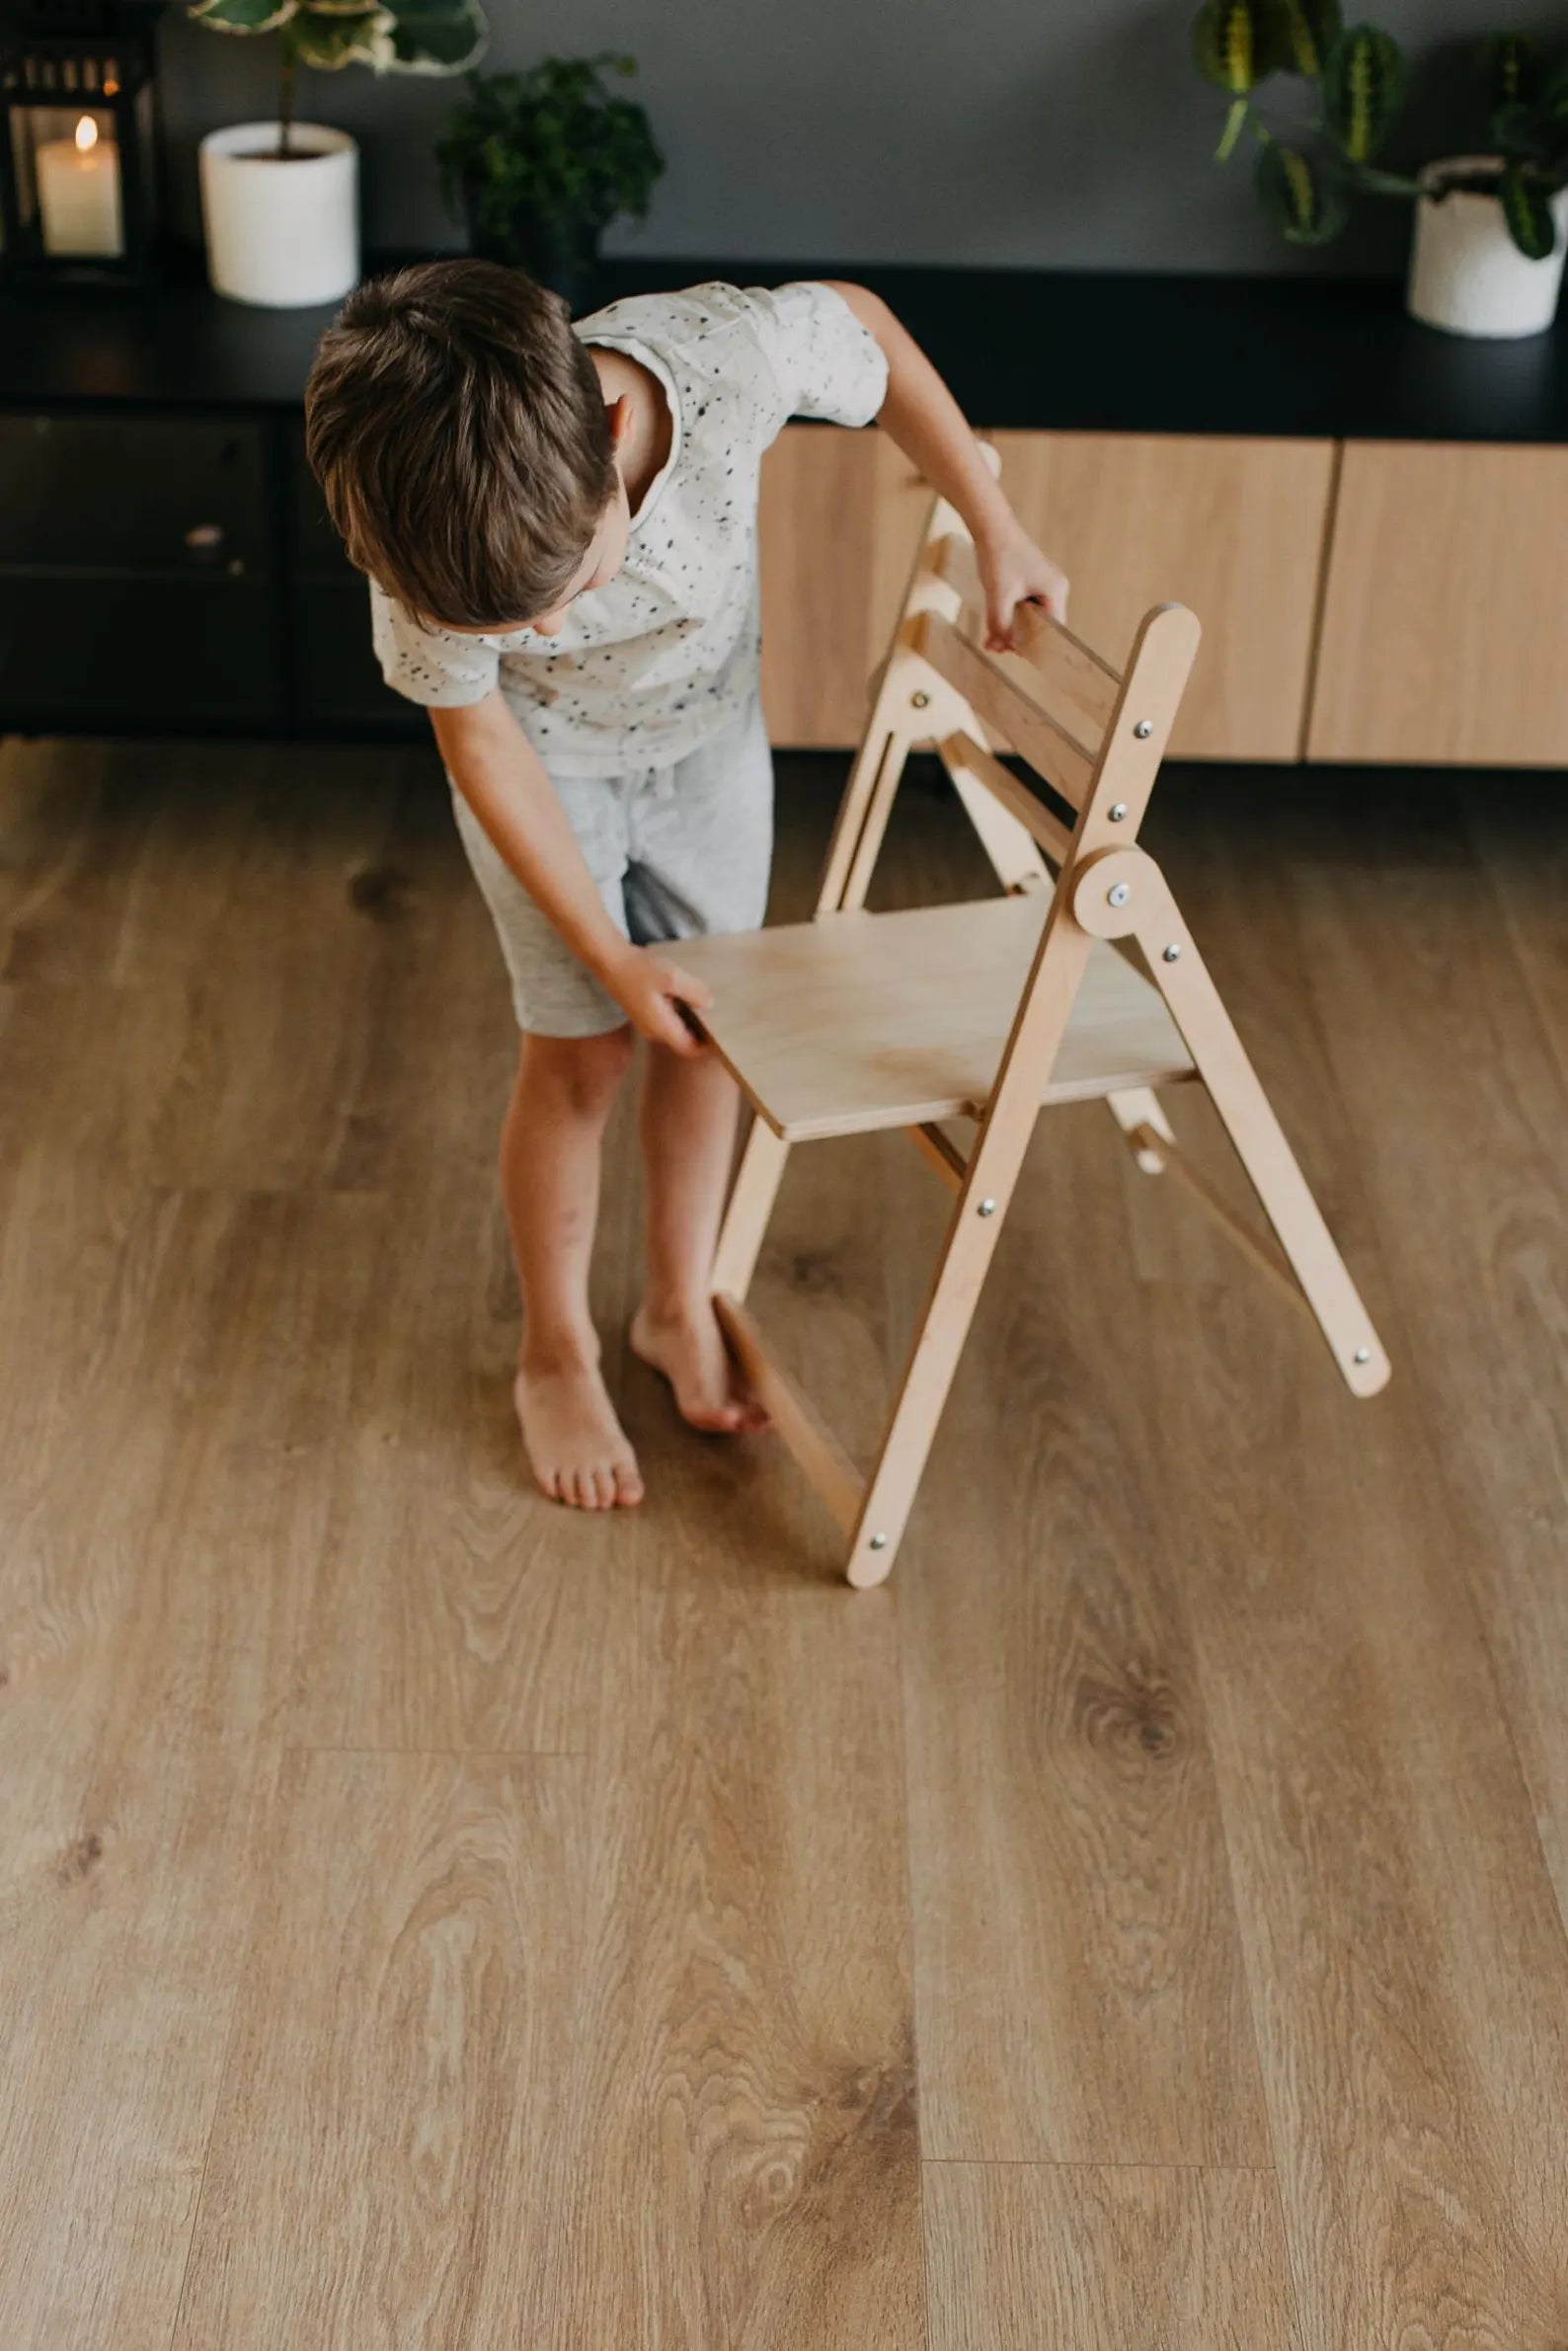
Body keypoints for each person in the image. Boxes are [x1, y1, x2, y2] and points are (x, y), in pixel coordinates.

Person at [305, 263, 1068, 1512]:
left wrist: (994, 519)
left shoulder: (729, 362)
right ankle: (553, 1348)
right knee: (583, 1053)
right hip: (545, 775)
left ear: (609, 435)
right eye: (507, 627)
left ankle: (675, 1302)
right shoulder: (421, 539)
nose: (542, 636)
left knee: (704, 1028)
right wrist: (607, 956)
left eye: (567, 587)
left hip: (708, 742)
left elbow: (865, 333)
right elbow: (482, 740)